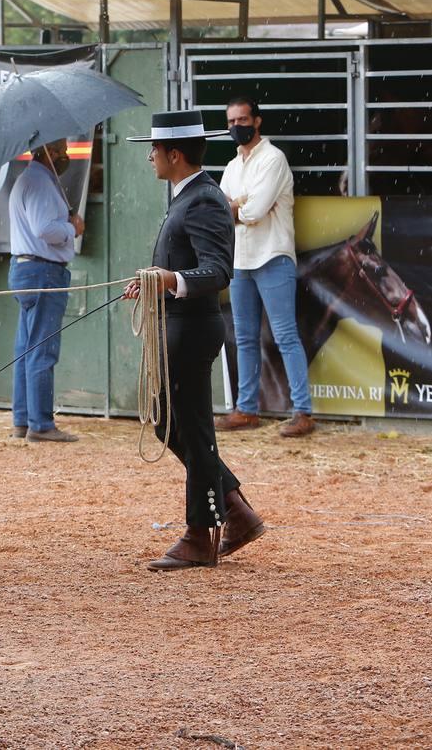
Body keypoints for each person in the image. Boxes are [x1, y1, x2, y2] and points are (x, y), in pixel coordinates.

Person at [124, 109, 266, 571]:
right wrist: (154, 281)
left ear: (175, 154)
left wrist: (169, 279)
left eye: (155, 149)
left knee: (194, 430)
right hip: (178, 326)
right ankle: (235, 510)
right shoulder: (189, 196)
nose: (150, 156)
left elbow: (217, 271)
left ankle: (200, 534)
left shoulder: (202, 200)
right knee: (171, 425)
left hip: (192, 327)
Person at [217, 96, 315, 438]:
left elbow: (253, 211)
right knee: (245, 337)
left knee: (285, 335)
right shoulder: (233, 166)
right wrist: (238, 208)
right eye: (231, 122)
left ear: (257, 121)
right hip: (242, 260)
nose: (236, 127)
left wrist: (237, 207)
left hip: (272, 255)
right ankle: (247, 409)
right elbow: (222, 212)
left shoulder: (273, 159)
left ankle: (302, 410)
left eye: (242, 120)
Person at [8, 139, 85, 443]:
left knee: (25, 349)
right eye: (61, 149)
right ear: (49, 153)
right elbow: (45, 230)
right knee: (42, 349)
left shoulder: (29, 180)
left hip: (27, 270)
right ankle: (40, 424)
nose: (66, 155)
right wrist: (72, 229)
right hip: (43, 273)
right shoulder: (39, 183)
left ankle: (22, 420)